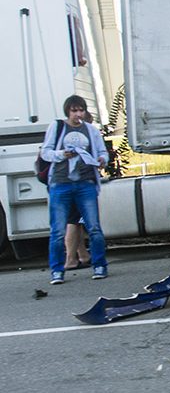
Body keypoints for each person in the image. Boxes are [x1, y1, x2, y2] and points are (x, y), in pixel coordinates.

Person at [40, 95, 109, 284]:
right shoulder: (57, 127)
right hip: (61, 183)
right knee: (57, 230)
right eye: (74, 110)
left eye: (81, 110)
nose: (78, 114)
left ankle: (100, 265)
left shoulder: (91, 131)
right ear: (67, 112)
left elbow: (102, 152)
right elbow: (45, 152)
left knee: (94, 227)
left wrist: (102, 160)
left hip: (85, 183)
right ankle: (56, 270)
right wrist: (62, 154)